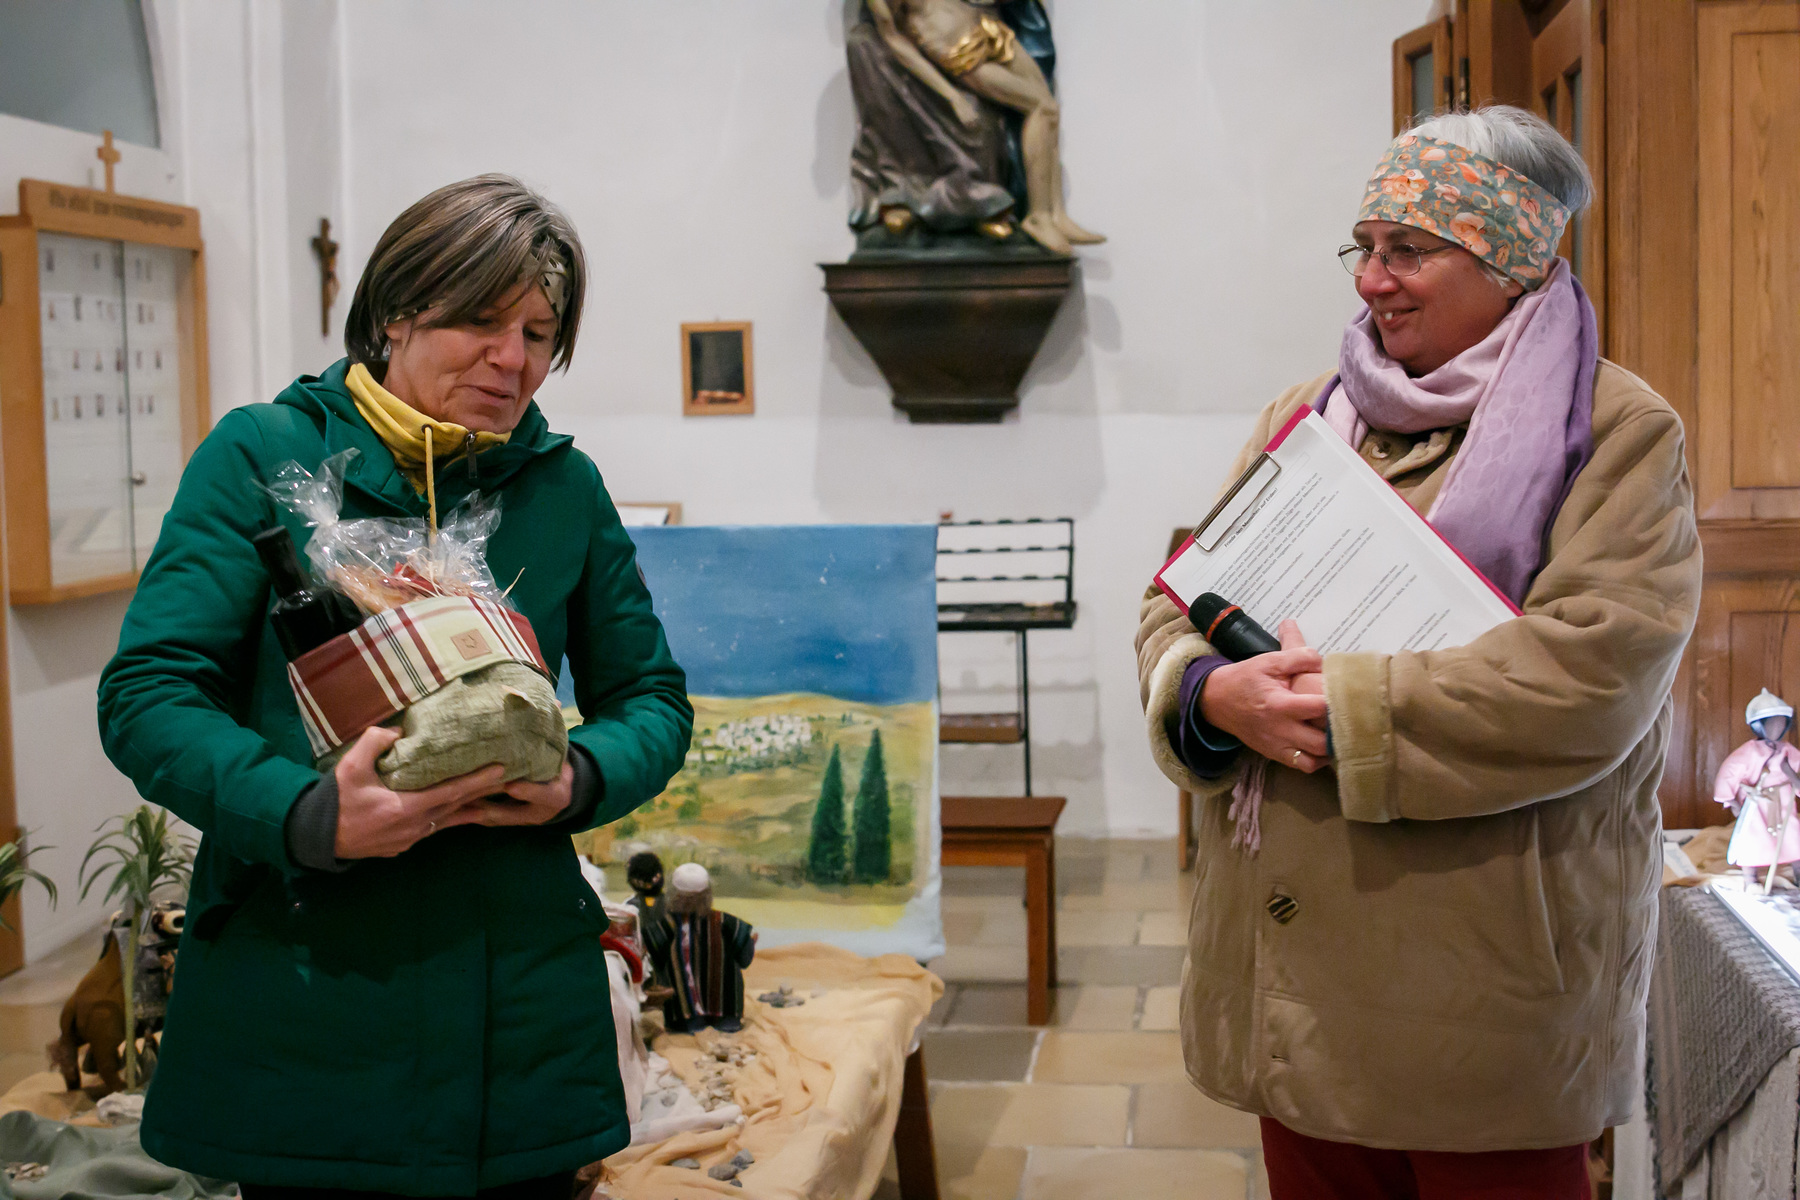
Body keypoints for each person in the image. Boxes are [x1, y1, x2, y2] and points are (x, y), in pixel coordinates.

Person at [1135, 107, 1701, 1198]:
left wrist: (1329, 707)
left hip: (1477, 980)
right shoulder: (1309, 414)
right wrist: (1208, 692)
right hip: (1292, 975)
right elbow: (1181, 598)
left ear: (1509, 257)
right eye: (1364, 247)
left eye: (1408, 250)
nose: (1371, 281)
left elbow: (1593, 673)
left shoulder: (1617, 430)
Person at [97, 175, 694, 1198]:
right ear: (396, 315)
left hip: (520, 1011)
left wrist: (580, 779)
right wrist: (306, 811)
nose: (512, 360)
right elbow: (148, 694)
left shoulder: (562, 488)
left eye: (538, 334)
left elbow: (652, 699)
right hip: (310, 991)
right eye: (480, 322)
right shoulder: (262, 456)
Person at [864, 0, 1103, 253]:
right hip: (958, 50)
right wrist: (952, 96)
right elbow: (896, 42)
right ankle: (1038, 216)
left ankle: (1056, 214)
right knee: (1038, 108)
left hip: (986, 27)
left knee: (1049, 107)